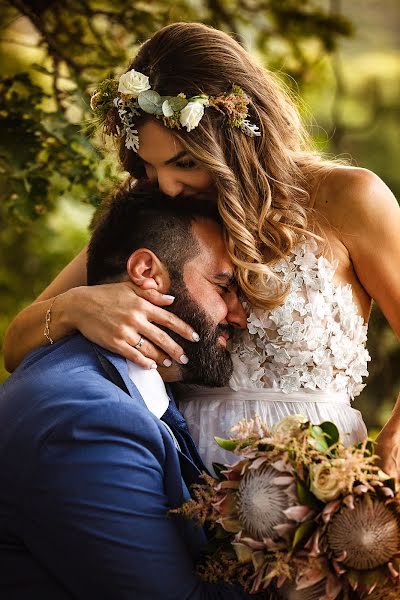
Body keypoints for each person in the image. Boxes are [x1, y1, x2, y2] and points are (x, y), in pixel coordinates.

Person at [3, 22, 400, 474]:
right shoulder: (160, 219)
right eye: (152, 168)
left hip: (320, 492)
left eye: (185, 163)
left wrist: (393, 439)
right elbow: (17, 346)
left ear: (238, 139)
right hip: (178, 488)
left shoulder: (350, 199)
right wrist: (77, 307)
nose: (167, 187)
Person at [0, 186, 255, 599]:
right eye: (222, 286)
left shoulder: (113, 380)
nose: (241, 316)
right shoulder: (88, 422)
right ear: (148, 273)